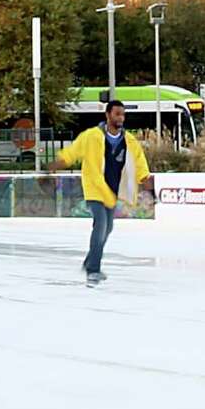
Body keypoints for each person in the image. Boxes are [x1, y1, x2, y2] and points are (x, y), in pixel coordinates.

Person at [55, 99, 152, 286]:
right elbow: (73, 152)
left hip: (112, 192)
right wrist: (54, 165)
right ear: (108, 115)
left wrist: (148, 184)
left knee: (108, 228)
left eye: (123, 114)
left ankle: (89, 261)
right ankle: (93, 270)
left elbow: (140, 164)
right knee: (101, 225)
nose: (121, 118)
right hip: (94, 188)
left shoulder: (129, 141)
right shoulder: (92, 136)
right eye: (117, 114)